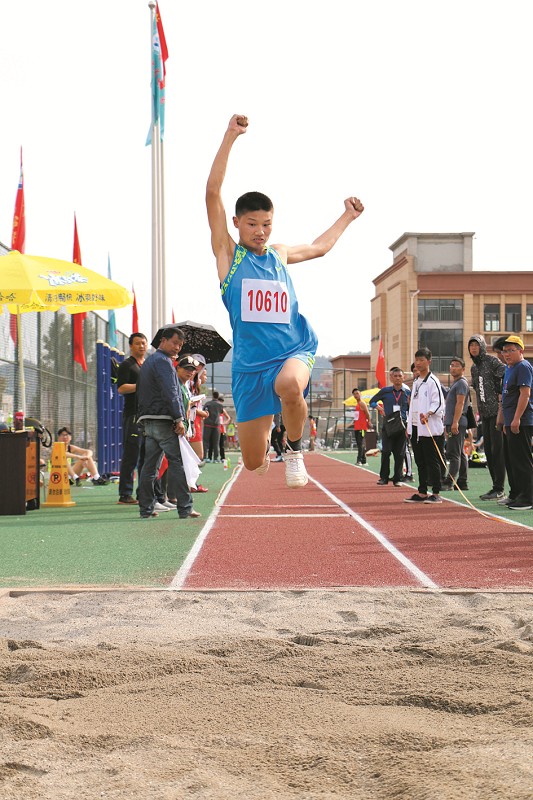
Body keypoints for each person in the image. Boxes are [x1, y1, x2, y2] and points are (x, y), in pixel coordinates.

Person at [206, 113, 364, 488]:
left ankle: (294, 451)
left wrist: (347, 216)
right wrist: (230, 137)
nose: (261, 232)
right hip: (249, 366)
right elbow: (212, 193)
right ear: (236, 223)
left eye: (267, 224)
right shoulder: (229, 256)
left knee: (291, 386)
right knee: (252, 462)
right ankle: (269, 448)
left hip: (293, 347)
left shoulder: (278, 253)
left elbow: (319, 247)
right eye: (252, 224)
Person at [136, 328, 200, 520]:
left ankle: (145, 509)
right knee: (177, 463)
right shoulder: (164, 363)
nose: (177, 347)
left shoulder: (149, 362)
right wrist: (179, 418)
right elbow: (171, 391)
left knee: (149, 467)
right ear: (163, 341)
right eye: (175, 343)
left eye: (180, 345)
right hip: (164, 420)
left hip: (148, 420)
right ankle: (185, 508)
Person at [496, 336, 533, 510]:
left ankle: (528, 498)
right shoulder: (509, 368)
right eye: (505, 351)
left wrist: (517, 418)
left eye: (511, 350)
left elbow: (524, 394)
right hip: (511, 421)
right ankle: (517, 493)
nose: (507, 354)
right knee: (511, 460)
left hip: (522, 421)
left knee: (522, 460)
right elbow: (506, 396)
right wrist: (505, 420)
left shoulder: (523, 366)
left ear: (521, 351)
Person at [468, 334, 506, 501]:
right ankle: (495, 487)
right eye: (471, 346)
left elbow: (506, 379)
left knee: (498, 451)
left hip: (497, 414)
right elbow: (477, 389)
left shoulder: (493, 362)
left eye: (476, 345)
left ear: (482, 346)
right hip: (485, 415)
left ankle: (500, 488)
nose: (474, 348)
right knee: (489, 452)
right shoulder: (474, 368)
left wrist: (500, 403)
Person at [405, 348, 445, 504]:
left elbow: (439, 402)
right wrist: (410, 426)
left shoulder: (432, 381)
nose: (418, 363)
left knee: (432, 460)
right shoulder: (416, 382)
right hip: (416, 427)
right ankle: (422, 491)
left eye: (422, 360)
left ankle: (436, 492)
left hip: (429, 427)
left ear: (429, 361)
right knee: (420, 460)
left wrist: (428, 414)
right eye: (417, 360)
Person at [116, 332, 148, 505]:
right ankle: (125, 494)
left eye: (143, 343)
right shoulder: (127, 365)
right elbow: (121, 388)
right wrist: (140, 385)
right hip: (132, 415)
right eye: (137, 343)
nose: (141, 346)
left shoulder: (146, 365)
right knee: (131, 455)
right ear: (130, 346)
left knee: (145, 456)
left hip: (147, 416)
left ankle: (142, 492)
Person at [370, 368, 410, 485]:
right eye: (395, 376)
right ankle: (383, 478)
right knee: (386, 451)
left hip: (402, 425)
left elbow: (412, 408)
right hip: (388, 425)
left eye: (400, 376)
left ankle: (398, 479)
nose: (398, 378)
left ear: (404, 378)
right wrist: (379, 408)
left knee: (400, 454)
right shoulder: (385, 391)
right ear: (391, 378)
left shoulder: (407, 392)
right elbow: (372, 401)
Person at [441, 357, 470, 491]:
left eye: (457, 366)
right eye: (451, 365)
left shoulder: (461, 384)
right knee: (459, 452)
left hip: (457, 422)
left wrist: (455, 422)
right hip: (454, 422)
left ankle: (449, 482)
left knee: (453, 453)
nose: (453, 368)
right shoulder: (456, 383)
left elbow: (460, 403)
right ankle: (463, 481)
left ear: (463, 369)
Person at [203, 391, 225, 462]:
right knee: (216, 443)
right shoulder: (220, 405)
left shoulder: (207, 404)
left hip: (207, 425)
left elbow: (204, 412)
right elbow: (221, 412)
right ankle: (216, 458)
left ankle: (205, 457)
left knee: (206, 442)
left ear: (212, 396)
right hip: (216, 425)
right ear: (218, 396)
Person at [351, 389, 372, 465]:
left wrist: (369, 422)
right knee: (359, 443)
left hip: (362, 427)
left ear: (360, 394)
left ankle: (359, 460)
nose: (356, 395)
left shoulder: (362, 403)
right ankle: (364, 460)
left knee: (360, 443)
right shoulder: (357, 404)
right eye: (355, 394)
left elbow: (368, 413)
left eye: (357, 393)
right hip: (357, 427)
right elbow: (358, 415)